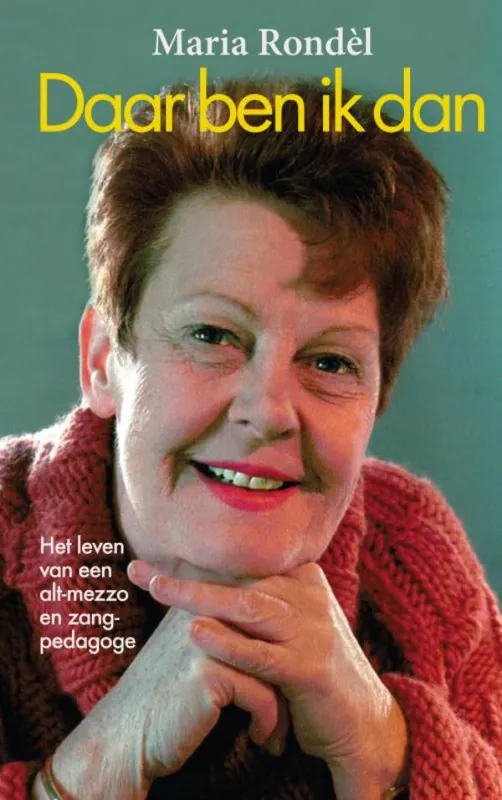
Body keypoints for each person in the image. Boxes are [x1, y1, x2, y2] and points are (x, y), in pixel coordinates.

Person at [0, 76, 500, 800]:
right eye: (212, 335)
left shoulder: (414, 555)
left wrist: (388, 749)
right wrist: (83, 777)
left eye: (331, 362)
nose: (268, 412)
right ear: (103, 360)